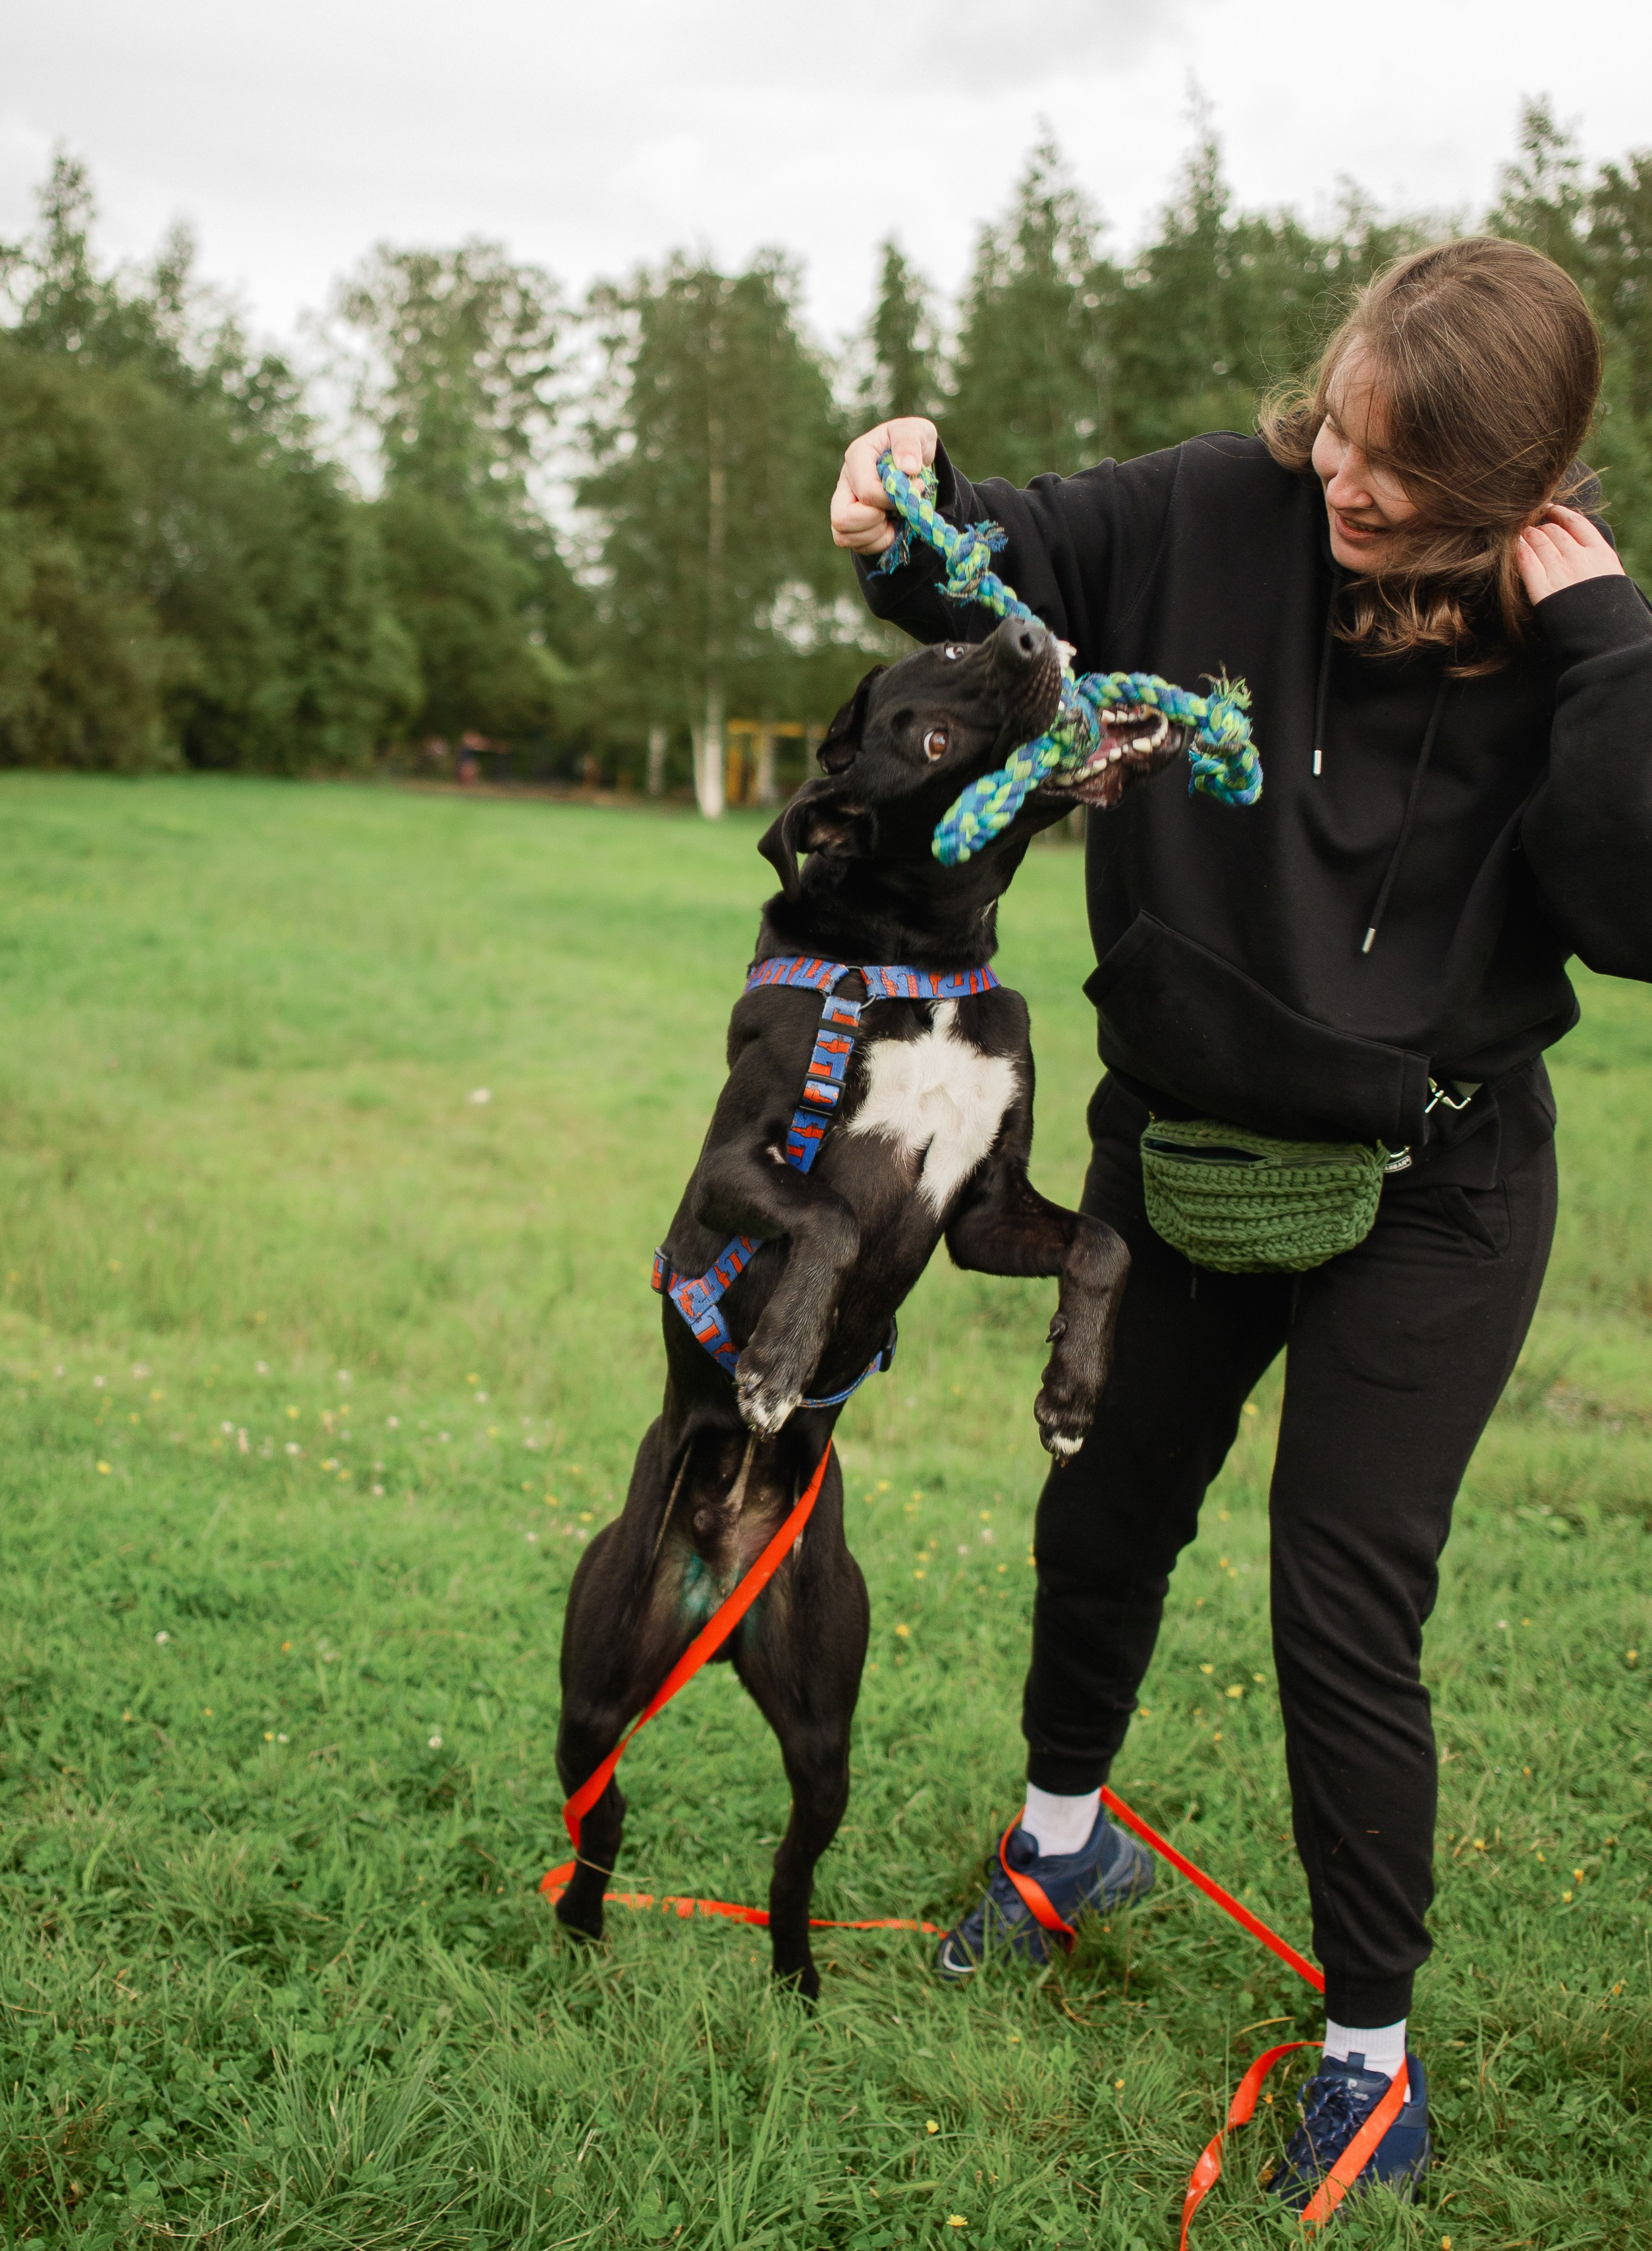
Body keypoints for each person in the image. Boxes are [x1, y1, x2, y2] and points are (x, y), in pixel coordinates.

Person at [829, 236, 1652, 2205]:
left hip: (1435, 1182)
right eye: (1347, 427)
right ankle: (1060, 1840)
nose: (1351, 485)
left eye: (1409, 477)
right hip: (1188, 1135)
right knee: (1102, 1508)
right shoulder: (1221, 507)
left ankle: (1369, 2053)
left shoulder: (1566, 641)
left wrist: (1613, 644)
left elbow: (1631, 915)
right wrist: (899, 501)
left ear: (1520, 495)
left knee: (1340, 1593)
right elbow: (993, 563)